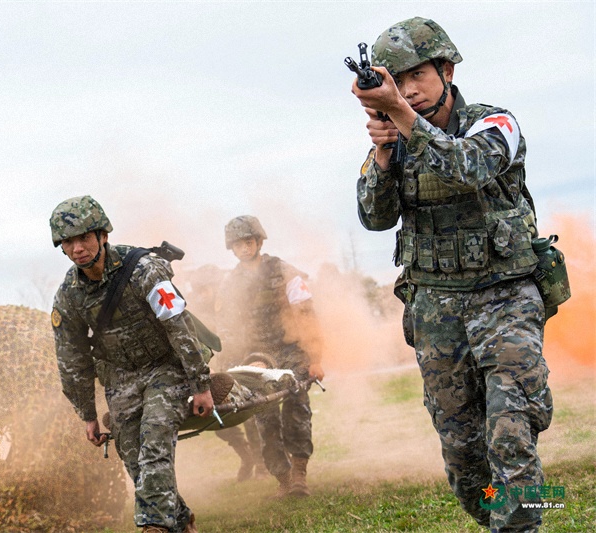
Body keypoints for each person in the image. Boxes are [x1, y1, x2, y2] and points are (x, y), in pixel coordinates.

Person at [351, 17, 553, 532]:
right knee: (465, 458)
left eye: (417, 75)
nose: (408, 91)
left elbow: (470, 168)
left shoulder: (494, 123)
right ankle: (500, 518)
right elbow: (374, 217)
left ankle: (523, 524)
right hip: (436, 310)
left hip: (505, 299)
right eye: (396, 81)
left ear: (447, 70)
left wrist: (401, 117)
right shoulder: (397, 141)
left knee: (511, 431)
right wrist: (383, 153)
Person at [49, 195, 213, 533]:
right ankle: (182, 521)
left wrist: (201, 384)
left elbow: (178, 326)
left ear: (102, 235)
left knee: (154, 438)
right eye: (68, 242)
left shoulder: (144, 269)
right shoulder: (69, 295)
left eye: (84, 237)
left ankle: (155, 526)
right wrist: (88, 413)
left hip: (166, 367)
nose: (77, 248)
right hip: (121, 378)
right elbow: (71, 359)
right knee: (133, 455)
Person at [217, 215, 325, 498]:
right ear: (232, 248)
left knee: (296, 409)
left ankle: (299, 475)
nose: (244, 248)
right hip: (256, 357)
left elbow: (306, 314)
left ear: (259, 241)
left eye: (248, 241)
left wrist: (315, 358)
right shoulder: (230, 284)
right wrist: (231, 366)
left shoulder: (283, 272)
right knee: (265, 419)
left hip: (290, 351)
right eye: (238, 244)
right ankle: (283, 479)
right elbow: (227, 328)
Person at [185, 264, 268, 482]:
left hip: (239, 365)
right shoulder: (197, 312)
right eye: (199, 290)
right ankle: (246, 456)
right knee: (217, 420)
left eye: (205, 289)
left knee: (249, 415)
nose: (202, 295)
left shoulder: (232, 304)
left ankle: (261, 464)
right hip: (216, 371)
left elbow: (244, 335)